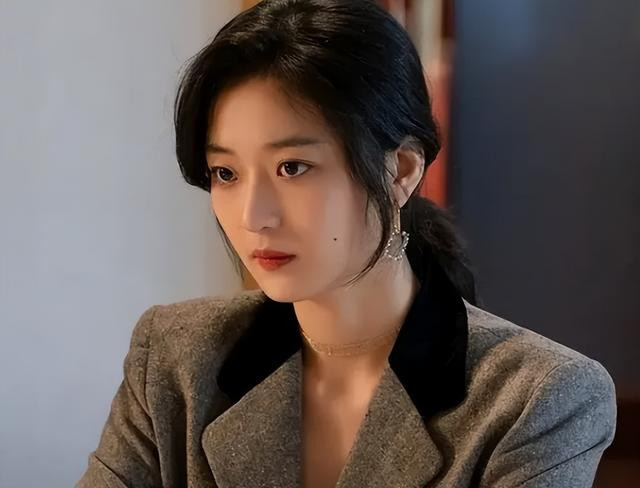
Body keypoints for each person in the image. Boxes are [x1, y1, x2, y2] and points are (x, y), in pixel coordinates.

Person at [76, 1, 616, 486]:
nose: (252, 216)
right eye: (226, 173)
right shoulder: (173, 359)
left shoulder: (539, 398)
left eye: (293, 167)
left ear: (401, 170)